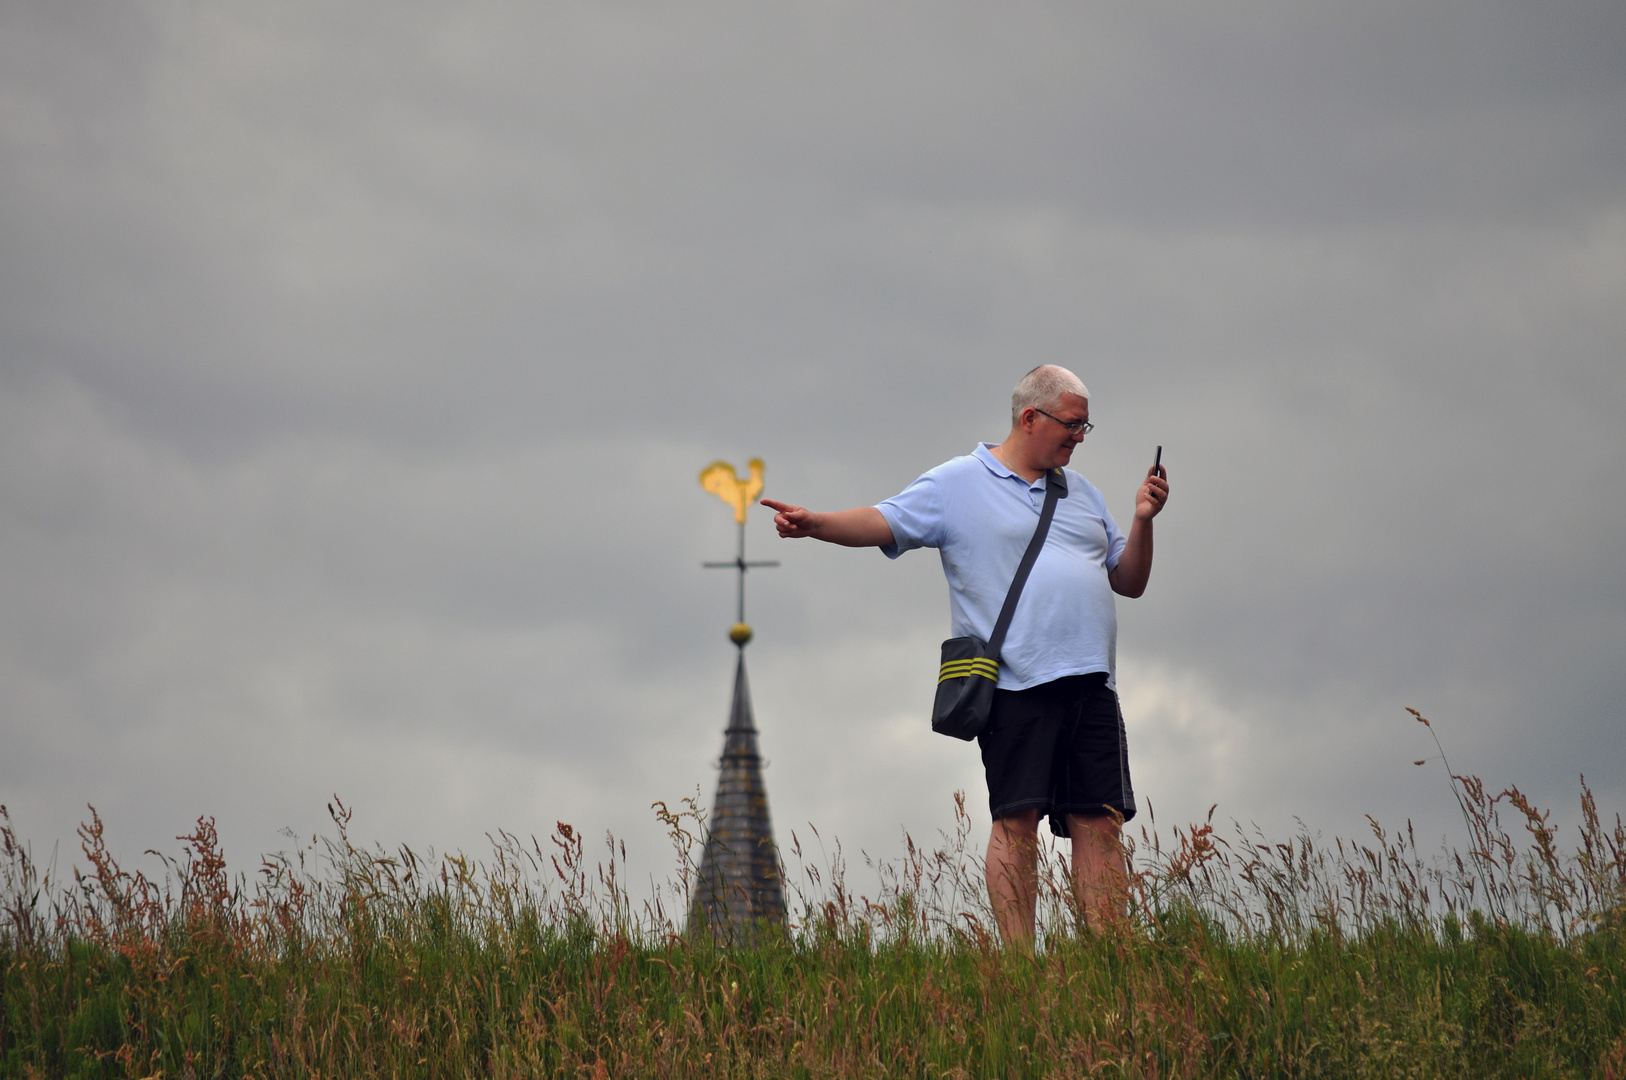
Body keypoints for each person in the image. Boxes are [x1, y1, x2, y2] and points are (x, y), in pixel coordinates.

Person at [761, 365, 1169, 946]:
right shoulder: (957, 482)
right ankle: (1020, 966)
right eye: (1073, 425)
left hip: (1092, 684)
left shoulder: (1083, 495)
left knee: (1100, 824)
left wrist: (1143, 521)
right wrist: (815, 524)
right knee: (1016, 821)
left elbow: (1129, 582)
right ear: (1031, 418)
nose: (1080, 436)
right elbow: (884, 520)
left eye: (1085, 426)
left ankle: (1111, 959)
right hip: (1014, 684)